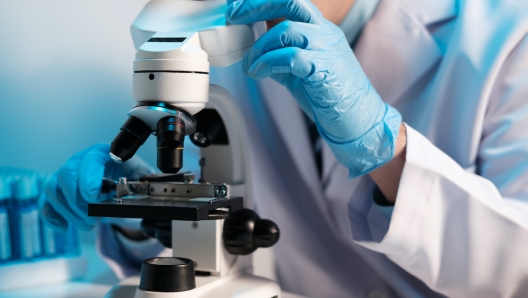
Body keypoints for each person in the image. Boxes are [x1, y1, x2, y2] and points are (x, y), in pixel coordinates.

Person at [39, 0, 528, 296]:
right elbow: (201, 226)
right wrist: (134, 218)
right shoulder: (224, 43)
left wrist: (390, 150)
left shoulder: (508, 37)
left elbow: (519, 271)